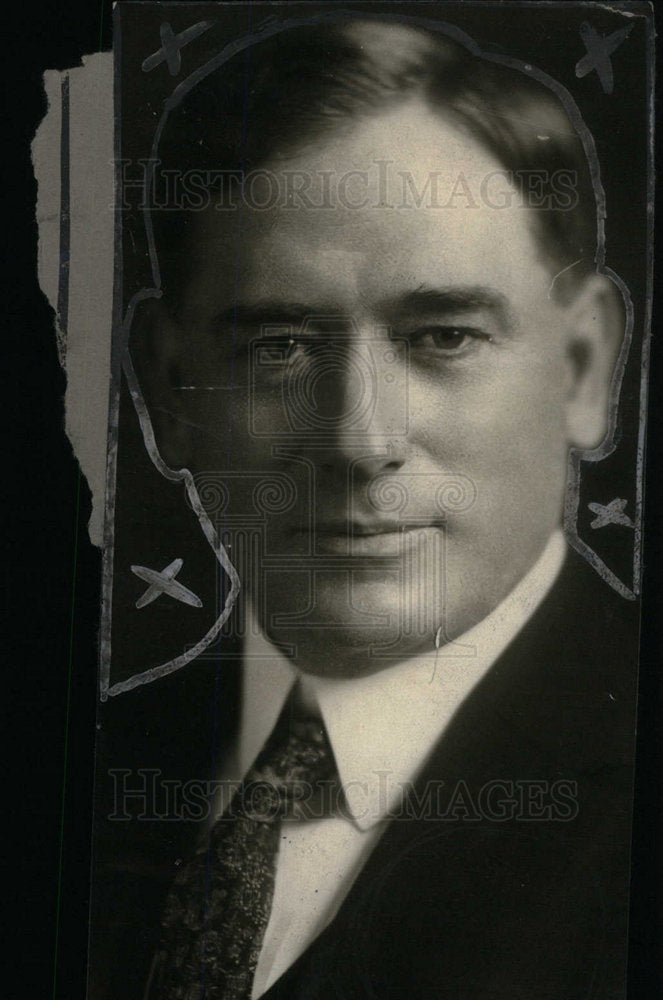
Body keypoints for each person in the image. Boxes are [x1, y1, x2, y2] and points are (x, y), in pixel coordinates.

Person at [88, 16, 639, 1000]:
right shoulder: (84, 765)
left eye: (443, 337)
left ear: (586, 369)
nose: (358, 439)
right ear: (167, 387)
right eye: (282, 346)